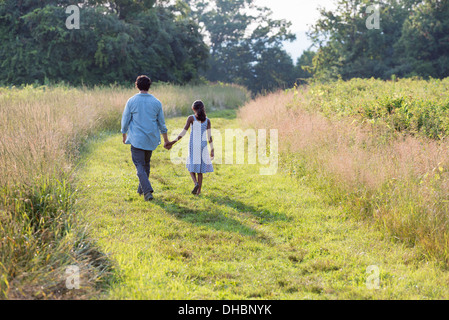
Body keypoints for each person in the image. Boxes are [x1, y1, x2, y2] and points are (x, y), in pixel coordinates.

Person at [121, 75, 171, 201]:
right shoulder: (156, 102)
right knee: (146, 164)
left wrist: (124, 133)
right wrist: (166, 140)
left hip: (137, 139)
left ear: (137, 85)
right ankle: (141, 190)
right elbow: (162, 124)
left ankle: (147, 191)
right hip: (151, 139)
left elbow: (125, 120)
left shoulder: (131, 101)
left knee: (139, 166)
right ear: (149, 86)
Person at [166, 100, 214, 195]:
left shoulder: (191, 118)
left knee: (191, 166)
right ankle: (199, 191)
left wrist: (172, 142)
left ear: (194, 109)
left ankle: (195, 183)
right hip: (203, 146)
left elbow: (183, 132)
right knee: (200, 170)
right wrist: (212, 149)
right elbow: (209, 137)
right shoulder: (207, 120)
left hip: (194, 145)